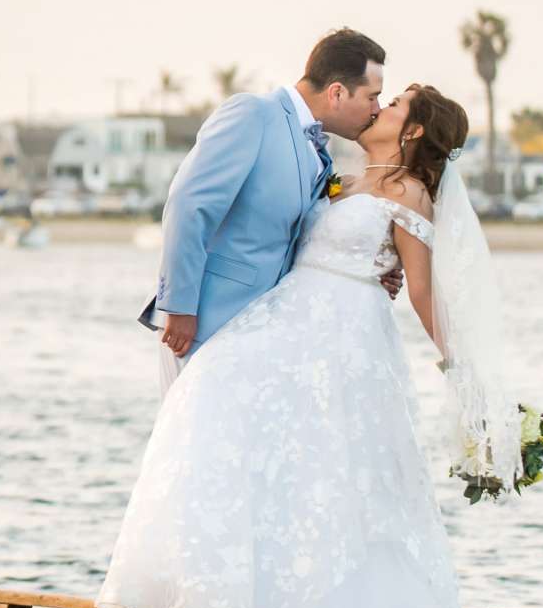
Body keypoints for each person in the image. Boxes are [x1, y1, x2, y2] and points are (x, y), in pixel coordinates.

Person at [96, 82, 506, 608]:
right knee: (238, 434)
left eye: (393, 104)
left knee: (332, 478)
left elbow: (421, 290)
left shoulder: (408, 191)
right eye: (379, 95)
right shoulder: (343, 177)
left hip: (346, 341)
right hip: (288, 322)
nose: (380, 107)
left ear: (414, 131)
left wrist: (464, 371)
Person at [138, 30, 385, 385]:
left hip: (263, 335)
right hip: (202, 326)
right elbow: (189, 205)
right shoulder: (253, 114)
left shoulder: (321, 154)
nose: (376, 109)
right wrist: (179, 307)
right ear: (337, 92)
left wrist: (372, 265)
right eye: (372, 96)